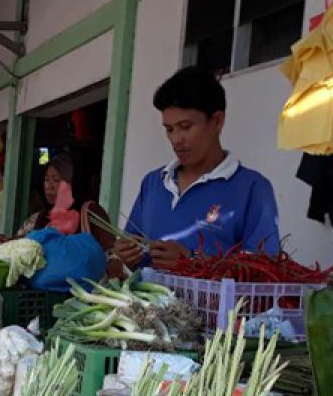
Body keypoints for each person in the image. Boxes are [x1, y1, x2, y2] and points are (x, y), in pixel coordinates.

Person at [113, 67, 280, 272]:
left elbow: (265, 272)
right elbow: (132, 246)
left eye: (185, 127)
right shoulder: (153, 183)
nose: (176, 140)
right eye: (169, 129)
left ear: (217, 121)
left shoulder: (252, 189)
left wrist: (192, 260)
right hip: (146, 304)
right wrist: (126, 256)